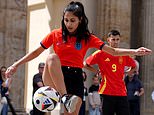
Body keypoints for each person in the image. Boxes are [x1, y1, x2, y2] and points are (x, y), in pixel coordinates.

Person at [5, 1, 151, 115]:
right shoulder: (55, 34)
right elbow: (36, 52)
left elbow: (112, 51)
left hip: (75, 77)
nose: (68, 24)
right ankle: (64, 97)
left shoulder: (87, 38)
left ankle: (66, 99)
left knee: (71, 113)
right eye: (66, 20)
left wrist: (135, 51)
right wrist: (15, 65)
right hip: (56, 76)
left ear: (80, 20)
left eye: (72, 20)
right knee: (51, 58)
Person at [83, 30, 146, 115]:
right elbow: (85, 64)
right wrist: (97, 71)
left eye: (117, 39)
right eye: (113, 39)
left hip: (121, 92)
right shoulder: (100, 53)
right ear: (108, 40)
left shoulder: (123, 54)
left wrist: (127, 73)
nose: (115, 42)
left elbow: (134, 66)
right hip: (106, 92)